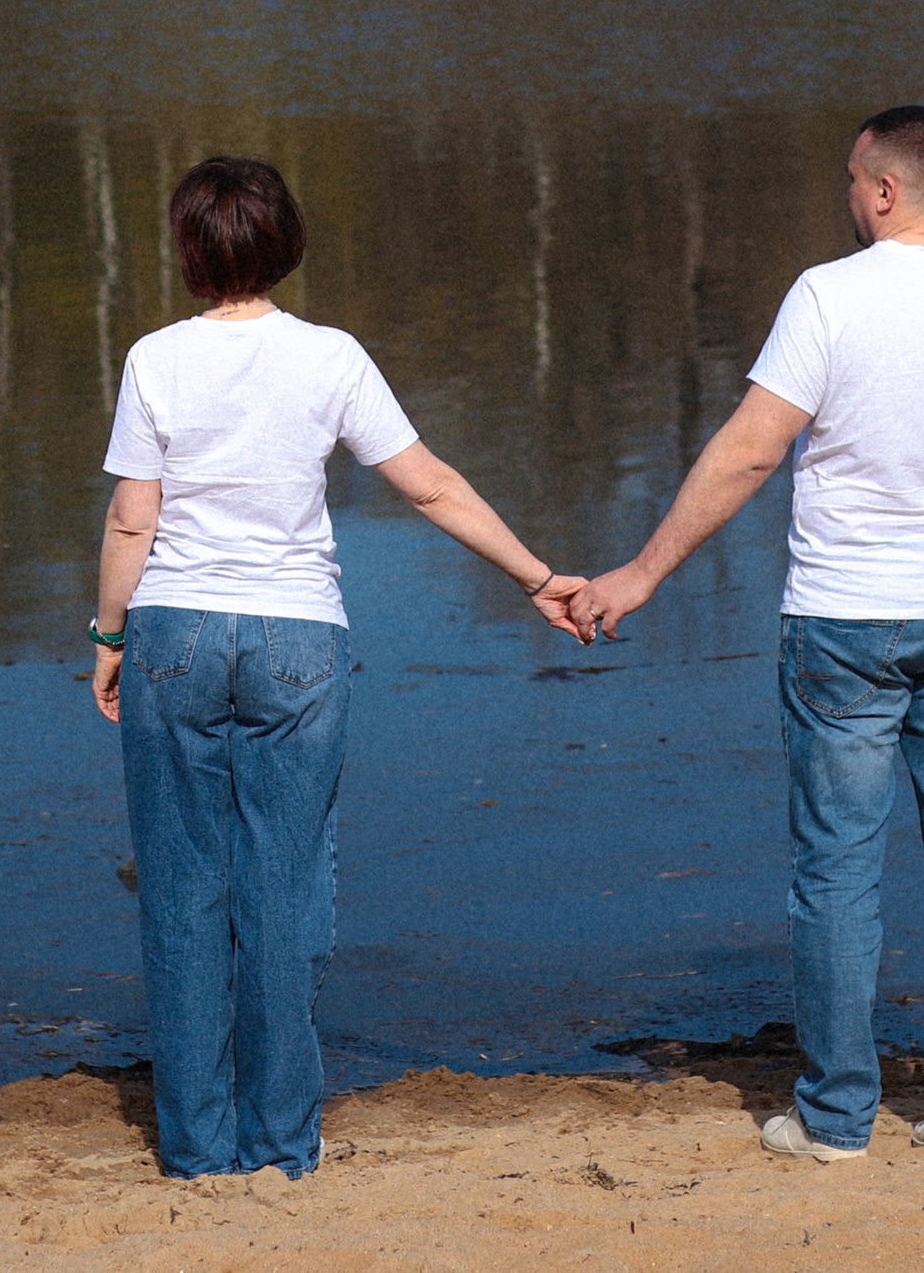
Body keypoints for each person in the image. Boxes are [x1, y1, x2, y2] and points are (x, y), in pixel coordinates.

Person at [575, 106, 924, 1164]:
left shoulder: (828, 294)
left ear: (887, 191)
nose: (847, 196)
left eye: (854, 180)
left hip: (846, 620)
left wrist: (643, 571)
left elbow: (750, 451)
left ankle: (838, 1117)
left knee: (839, 868)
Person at [92, 155, 588, 1180]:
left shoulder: (154, 358)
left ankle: (196, 1148)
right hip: (298, 641)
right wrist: (535, 576)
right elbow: (430, 486)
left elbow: (133, 517)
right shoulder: (331, 357)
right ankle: (281, 1144)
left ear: (189, 251)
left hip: (173, 635)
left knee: (182, 887)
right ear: (287, 244)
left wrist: (108, 637)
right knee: (284, 886)